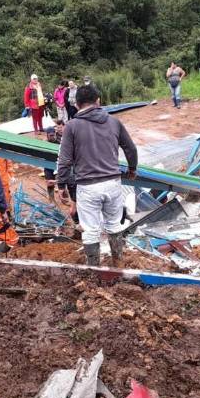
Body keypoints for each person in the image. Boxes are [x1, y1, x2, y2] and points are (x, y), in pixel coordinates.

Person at [57, 85, 138, 266]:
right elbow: (131, 149)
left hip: (87, 186)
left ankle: (94, 270)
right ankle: (118, 264)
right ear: (98, 101)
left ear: (76, 105)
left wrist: (61, 184)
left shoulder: (72, 126)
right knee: (114, 225)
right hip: (112, 182)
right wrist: (132, 169)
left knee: (91, 231)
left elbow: (65, 160)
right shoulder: (114, 122)